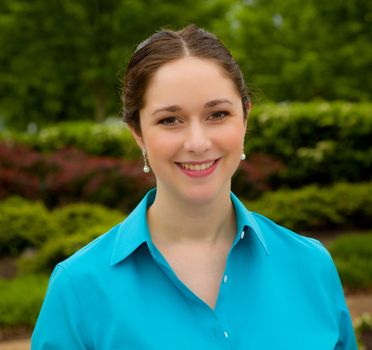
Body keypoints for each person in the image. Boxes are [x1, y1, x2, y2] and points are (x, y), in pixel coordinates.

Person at [31, 25, 357, 349]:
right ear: (137, 132)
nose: (198, 142)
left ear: (245, 118)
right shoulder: (78, 288)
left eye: (217, 114)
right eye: (170, 120)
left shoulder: (311, 266)